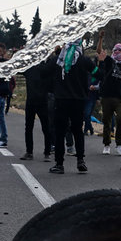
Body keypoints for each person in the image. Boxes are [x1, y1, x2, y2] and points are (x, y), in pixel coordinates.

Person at [49, 39, 95, 174]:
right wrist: (102, 63)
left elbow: (44, 72)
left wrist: (55, 54)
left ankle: (59, 164)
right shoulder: (84, 61)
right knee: (77, 131)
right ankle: (80, 160)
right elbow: (98, 73)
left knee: (60, 133)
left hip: (61, 101)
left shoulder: (59, 60)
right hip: (78, 101)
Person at [95, 31, 121, 156]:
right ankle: (106, 144)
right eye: (115, 50)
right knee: (107, 121)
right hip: (107, 96)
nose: (117, 52)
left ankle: (119, 144)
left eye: (119, 50)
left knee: (120, 119)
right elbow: (99, 51)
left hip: (119, 98)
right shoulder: (109, 61)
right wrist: (101, 38)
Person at [19, 62, 52, 161]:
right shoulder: (31, 69)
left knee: (43, 128)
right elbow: (17, 68)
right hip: (34, 102)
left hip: (41, 102)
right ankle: (33, 152)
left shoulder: (43, 69)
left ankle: (45, 152)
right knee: (33, 128)